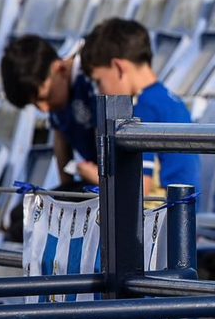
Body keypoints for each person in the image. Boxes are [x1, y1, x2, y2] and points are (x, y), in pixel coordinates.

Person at [80, 17, 201, 198]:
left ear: (118, 68)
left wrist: (94, 176)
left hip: (165, 216)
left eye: (99, 81)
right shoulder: (167, 100)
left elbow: (140, 186)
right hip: (184, 211)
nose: (100, 91)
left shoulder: (144, 108)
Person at [0, 34, 100, 186]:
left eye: (44, 98)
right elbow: (60, 137)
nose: (44, 108)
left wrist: (100, 177)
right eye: (34, 105)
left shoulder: (92, 78)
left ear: (59, 69)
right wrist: (66, 188)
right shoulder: (57, 96)